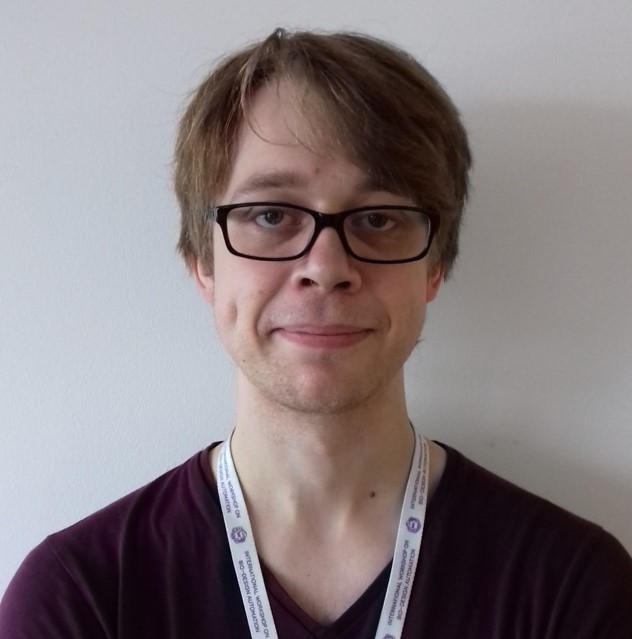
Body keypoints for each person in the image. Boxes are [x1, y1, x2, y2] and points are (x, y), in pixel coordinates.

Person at [1, 28, 631, 639]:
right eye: (271, 214)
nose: (327, 268)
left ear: (434, 267)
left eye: (378, 218)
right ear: (202, 262)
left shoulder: (572, 588)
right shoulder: (80, 597)